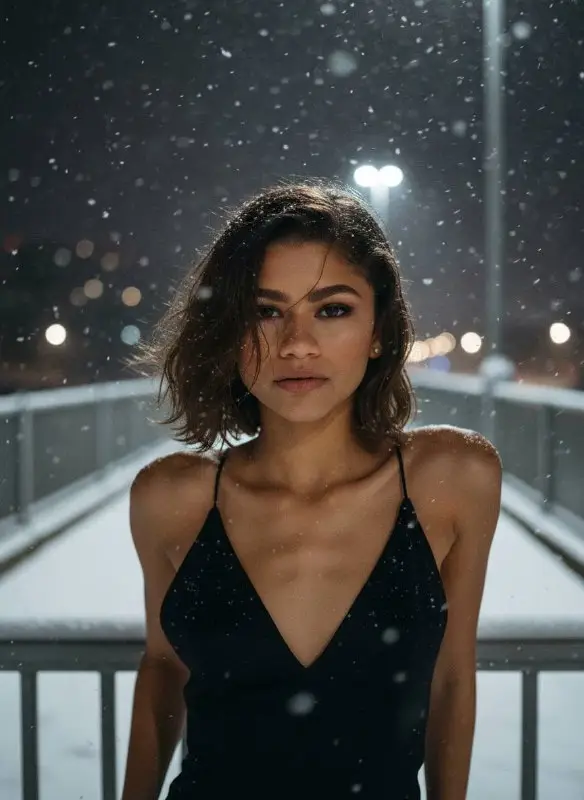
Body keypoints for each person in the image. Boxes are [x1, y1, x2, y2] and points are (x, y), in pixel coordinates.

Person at [121, 179, 502, 800]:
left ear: (379, 329)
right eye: (265, 311)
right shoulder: (172, 498)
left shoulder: (453, 479)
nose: (297, 343)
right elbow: (164, 665)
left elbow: (452, 676)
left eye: (332, 309)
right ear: (231, 331)